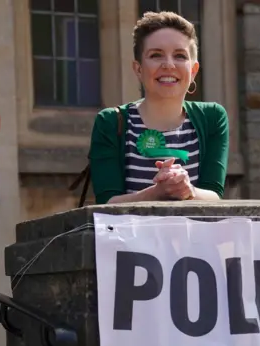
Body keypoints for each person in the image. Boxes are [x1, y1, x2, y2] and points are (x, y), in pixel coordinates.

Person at [88, 11, 229, 205]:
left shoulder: (213, 118)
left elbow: (214, 195)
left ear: (193, 70)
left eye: (180, 56)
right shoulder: (111, 122)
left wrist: (188, 189)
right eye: (156, 55)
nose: (169, 65)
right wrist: (155, 193)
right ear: (138, 69)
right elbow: (107, 202)